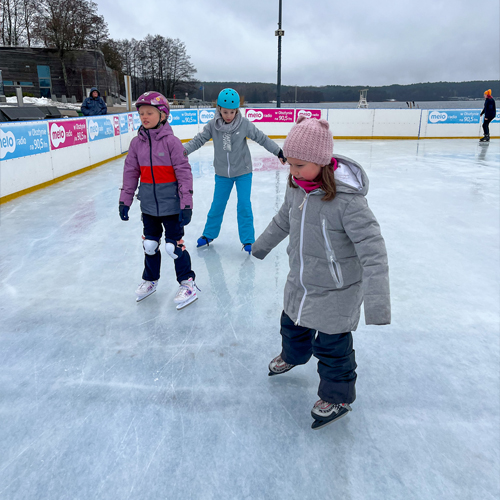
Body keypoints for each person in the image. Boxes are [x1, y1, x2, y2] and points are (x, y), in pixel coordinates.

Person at [252, 116, 391, 430]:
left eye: (300, 165)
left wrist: (377, 305)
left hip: (337, 291)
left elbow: (374, 253)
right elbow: (282, 222)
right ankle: (294, 356)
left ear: (321, 162)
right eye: (290, 164)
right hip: (301, 281)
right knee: (291, 324)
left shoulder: (348, 203)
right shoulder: (297, 190)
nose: (293, 171)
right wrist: (261, 246)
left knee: (332, 349)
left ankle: (338, 396)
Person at [118, 91, 198, 309]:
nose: (144, 117)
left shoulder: (172, 143)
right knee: (150, 245)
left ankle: (187, 283)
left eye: (149, 113)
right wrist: (125, 200)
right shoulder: (137, 144)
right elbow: (131, 172)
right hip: (149, 206)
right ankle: (150, 280)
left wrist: (186, 203)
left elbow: (184, 173)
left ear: (162, 115)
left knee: (174, 247)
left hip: (172, 205)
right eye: (141, 113)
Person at [183, 88, 286, 254]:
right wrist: (182, 151)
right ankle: (209, 235)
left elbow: (261, 138)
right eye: (225, 112)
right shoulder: (212, 126)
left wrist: (278, 151)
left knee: (244, 206)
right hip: (223, 174)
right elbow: (198, 140)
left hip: (243, 172)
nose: (229, 115)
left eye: (232, 112)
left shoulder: (244, 124)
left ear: (237, 110)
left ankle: (248, 241)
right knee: (217, 205)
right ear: (219, 109)